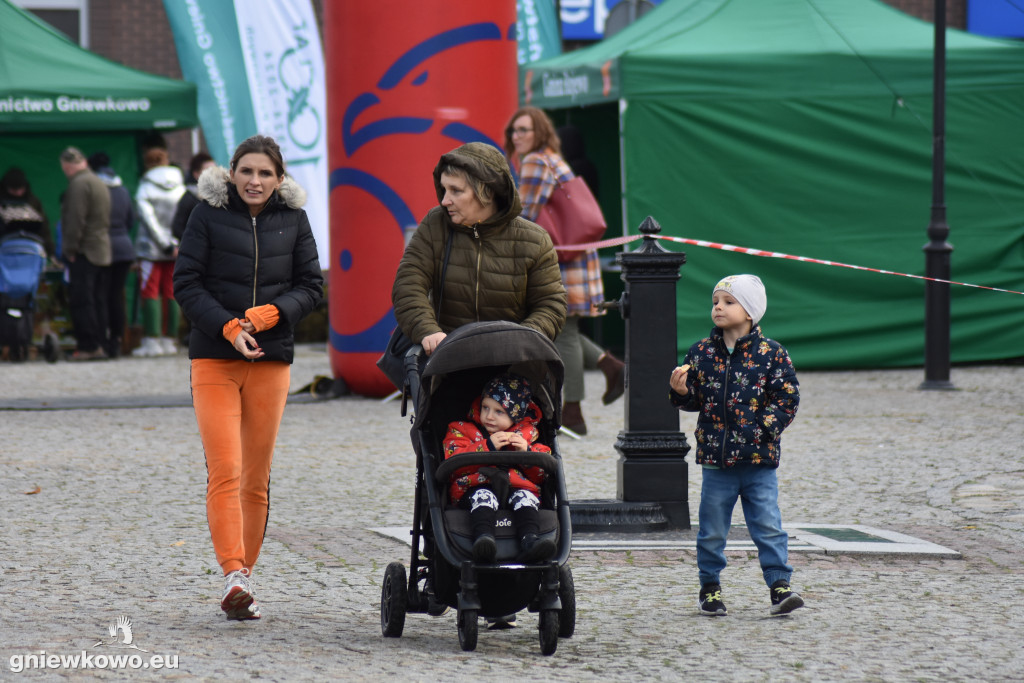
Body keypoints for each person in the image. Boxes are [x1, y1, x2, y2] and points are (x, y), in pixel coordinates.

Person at [173, 134, 323, 620]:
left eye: (265, 173)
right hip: (214, 359)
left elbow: (311, 286)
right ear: (232, 172)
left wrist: (269, 315)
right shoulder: (206, 215)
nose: (254, 181)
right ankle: (232, 573)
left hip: (271, 360)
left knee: (256, 478)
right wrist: (230, 327)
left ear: (279, 179)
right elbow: (186, 284)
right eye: (246, 171)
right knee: (226, 469)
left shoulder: (294, 220)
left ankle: (246, 580)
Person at [668, 274, 803, 617]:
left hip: (759, 461)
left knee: (768, 526)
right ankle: (710, 587)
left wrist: (762, 430)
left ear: (750, 312)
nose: (718, 307)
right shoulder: (700, 352)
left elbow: (787, 398)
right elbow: (694, 400)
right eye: (715, 301)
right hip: (717, 462)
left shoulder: (772, 353)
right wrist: (681, 392)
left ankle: (779, 586)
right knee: (712, 530)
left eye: (729, 302)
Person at [503, 106, 624, 436]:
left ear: (540, 131)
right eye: (514, 130)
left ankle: (573, 412)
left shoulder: (535, 161)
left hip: (560, 258)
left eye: (524, 130)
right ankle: (610, 366)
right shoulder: (552, 158)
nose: (517, 136)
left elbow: (524, 214)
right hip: (573, 254)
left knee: (564, 330)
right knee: (562, 328)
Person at [391, 141, 566, 355]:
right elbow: (408, 285)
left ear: (487, 192)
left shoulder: (535, 240)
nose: (445, 200)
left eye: (456, 191)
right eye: (444, 189)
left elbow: (550, 305)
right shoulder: (434, 225)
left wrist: (519, 341)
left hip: (511, 362)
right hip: (446, 357)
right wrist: (428, 331)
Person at [443, 373, 555, 563]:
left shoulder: (528, 436)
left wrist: (527, 454)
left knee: (526, 498)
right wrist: (486, 446)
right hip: (475, 486)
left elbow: (542, 474)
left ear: (516, 416)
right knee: (484, 497)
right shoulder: (462, 430)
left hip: (516, 486)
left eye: (499, 412)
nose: (489, 416)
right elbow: (453, 461)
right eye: (485, 407)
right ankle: (483, 540)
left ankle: (530, 541)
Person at [134, 135, 185, 357]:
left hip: (151, 250)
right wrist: (175, 243)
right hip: (176, 248)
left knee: (150, 291)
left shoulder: (145, 186)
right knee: (172, 292)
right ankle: (170, 339)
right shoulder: (180, 185)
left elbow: (148, 219)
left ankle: (152, 339)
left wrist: (163, 243)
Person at [59, 146, 112, 361]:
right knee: (99, 301)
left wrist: (70, 249)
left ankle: (88, 346)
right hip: (102, 250)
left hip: (85, 251)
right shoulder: (97, 181)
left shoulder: (78, 185)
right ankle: (101, 344)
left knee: (82, 300)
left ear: (67, 166)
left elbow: (75, 221)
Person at [88, 152, 136, 358]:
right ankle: (117, 339)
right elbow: (131, 220)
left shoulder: (93, 189)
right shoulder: (122, 190)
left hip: (102, 248)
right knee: (116, 295)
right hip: (124, 247)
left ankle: (104, 340)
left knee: (101, 296)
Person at [0, 167, 54, 256]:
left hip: (30, 251)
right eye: (14, 190)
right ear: (6, 188)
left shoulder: (33, 202)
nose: (18, 193)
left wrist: (49, 250)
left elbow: (44, 227)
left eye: (21, 189)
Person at [172, 152, 215, 241]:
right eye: (209, 171)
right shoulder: (189, 198)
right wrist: (195, 241)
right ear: (196, 174)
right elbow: (177, 228)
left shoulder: (220, 196)